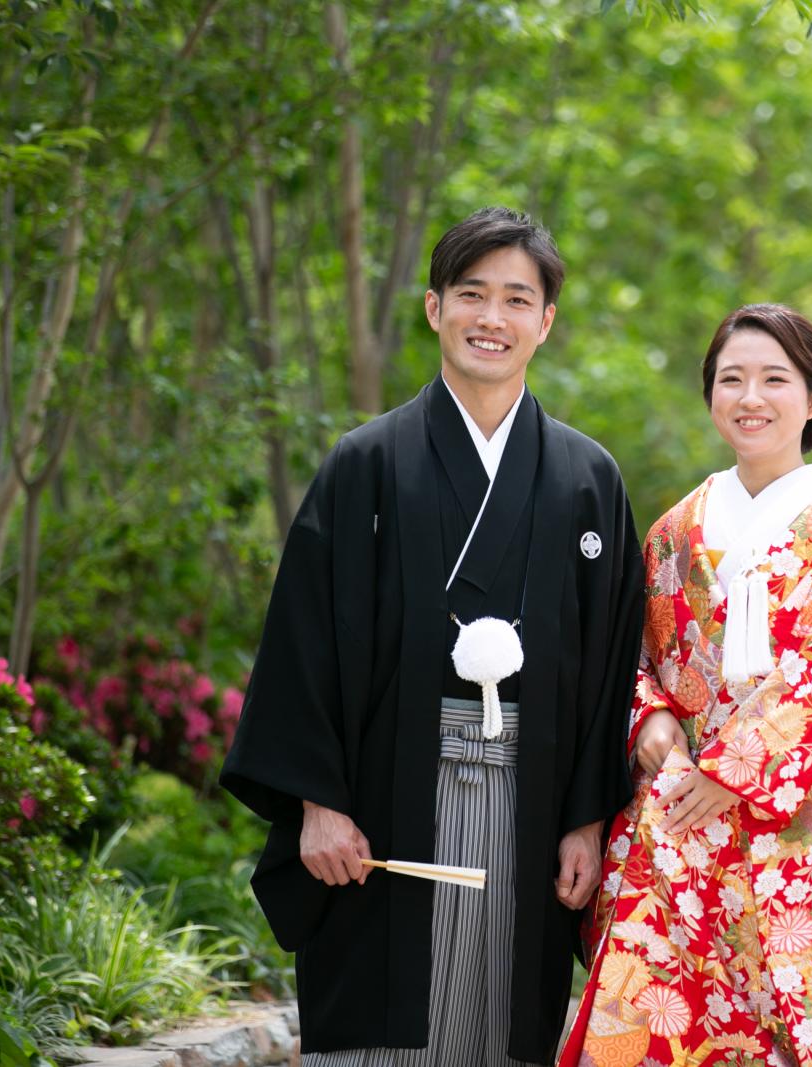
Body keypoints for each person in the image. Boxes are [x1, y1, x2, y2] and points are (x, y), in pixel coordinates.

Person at [221, 207, 645, 1066]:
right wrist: (318, 802)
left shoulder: (586, 478)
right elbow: (303, 641)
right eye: (472, 294)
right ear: (433, 308)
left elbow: (610, 665)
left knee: (501, 1023)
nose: (493, 318)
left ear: (546, 322)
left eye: (516, 299)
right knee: (383, 1026)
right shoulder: (367, 462)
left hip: (533, 800)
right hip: (381, 798)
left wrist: (587, 819)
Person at [559, 304, 812, 1067]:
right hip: (693, 830)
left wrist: (738, 769)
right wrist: (651, 721)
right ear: (710, 396)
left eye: (775, 379)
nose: (750, 397)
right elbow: (631, 657)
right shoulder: (676, 529)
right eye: (730, 379)